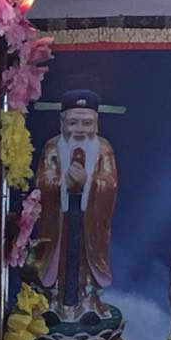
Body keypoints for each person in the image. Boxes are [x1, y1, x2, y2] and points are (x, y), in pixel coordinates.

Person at [29, 89, 117, 316]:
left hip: (90, 218)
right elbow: (42, 181)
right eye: (73, 123)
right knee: (56, 259)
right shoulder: (52, 147)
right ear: (62, 122)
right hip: (59, 217)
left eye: (87, 123)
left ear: (96, 124)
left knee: (86, 261)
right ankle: (54, 301)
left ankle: (89, 302)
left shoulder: (103, 149)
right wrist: (64, 182)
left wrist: (88, 182)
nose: (80, 129)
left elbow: (110, 183)